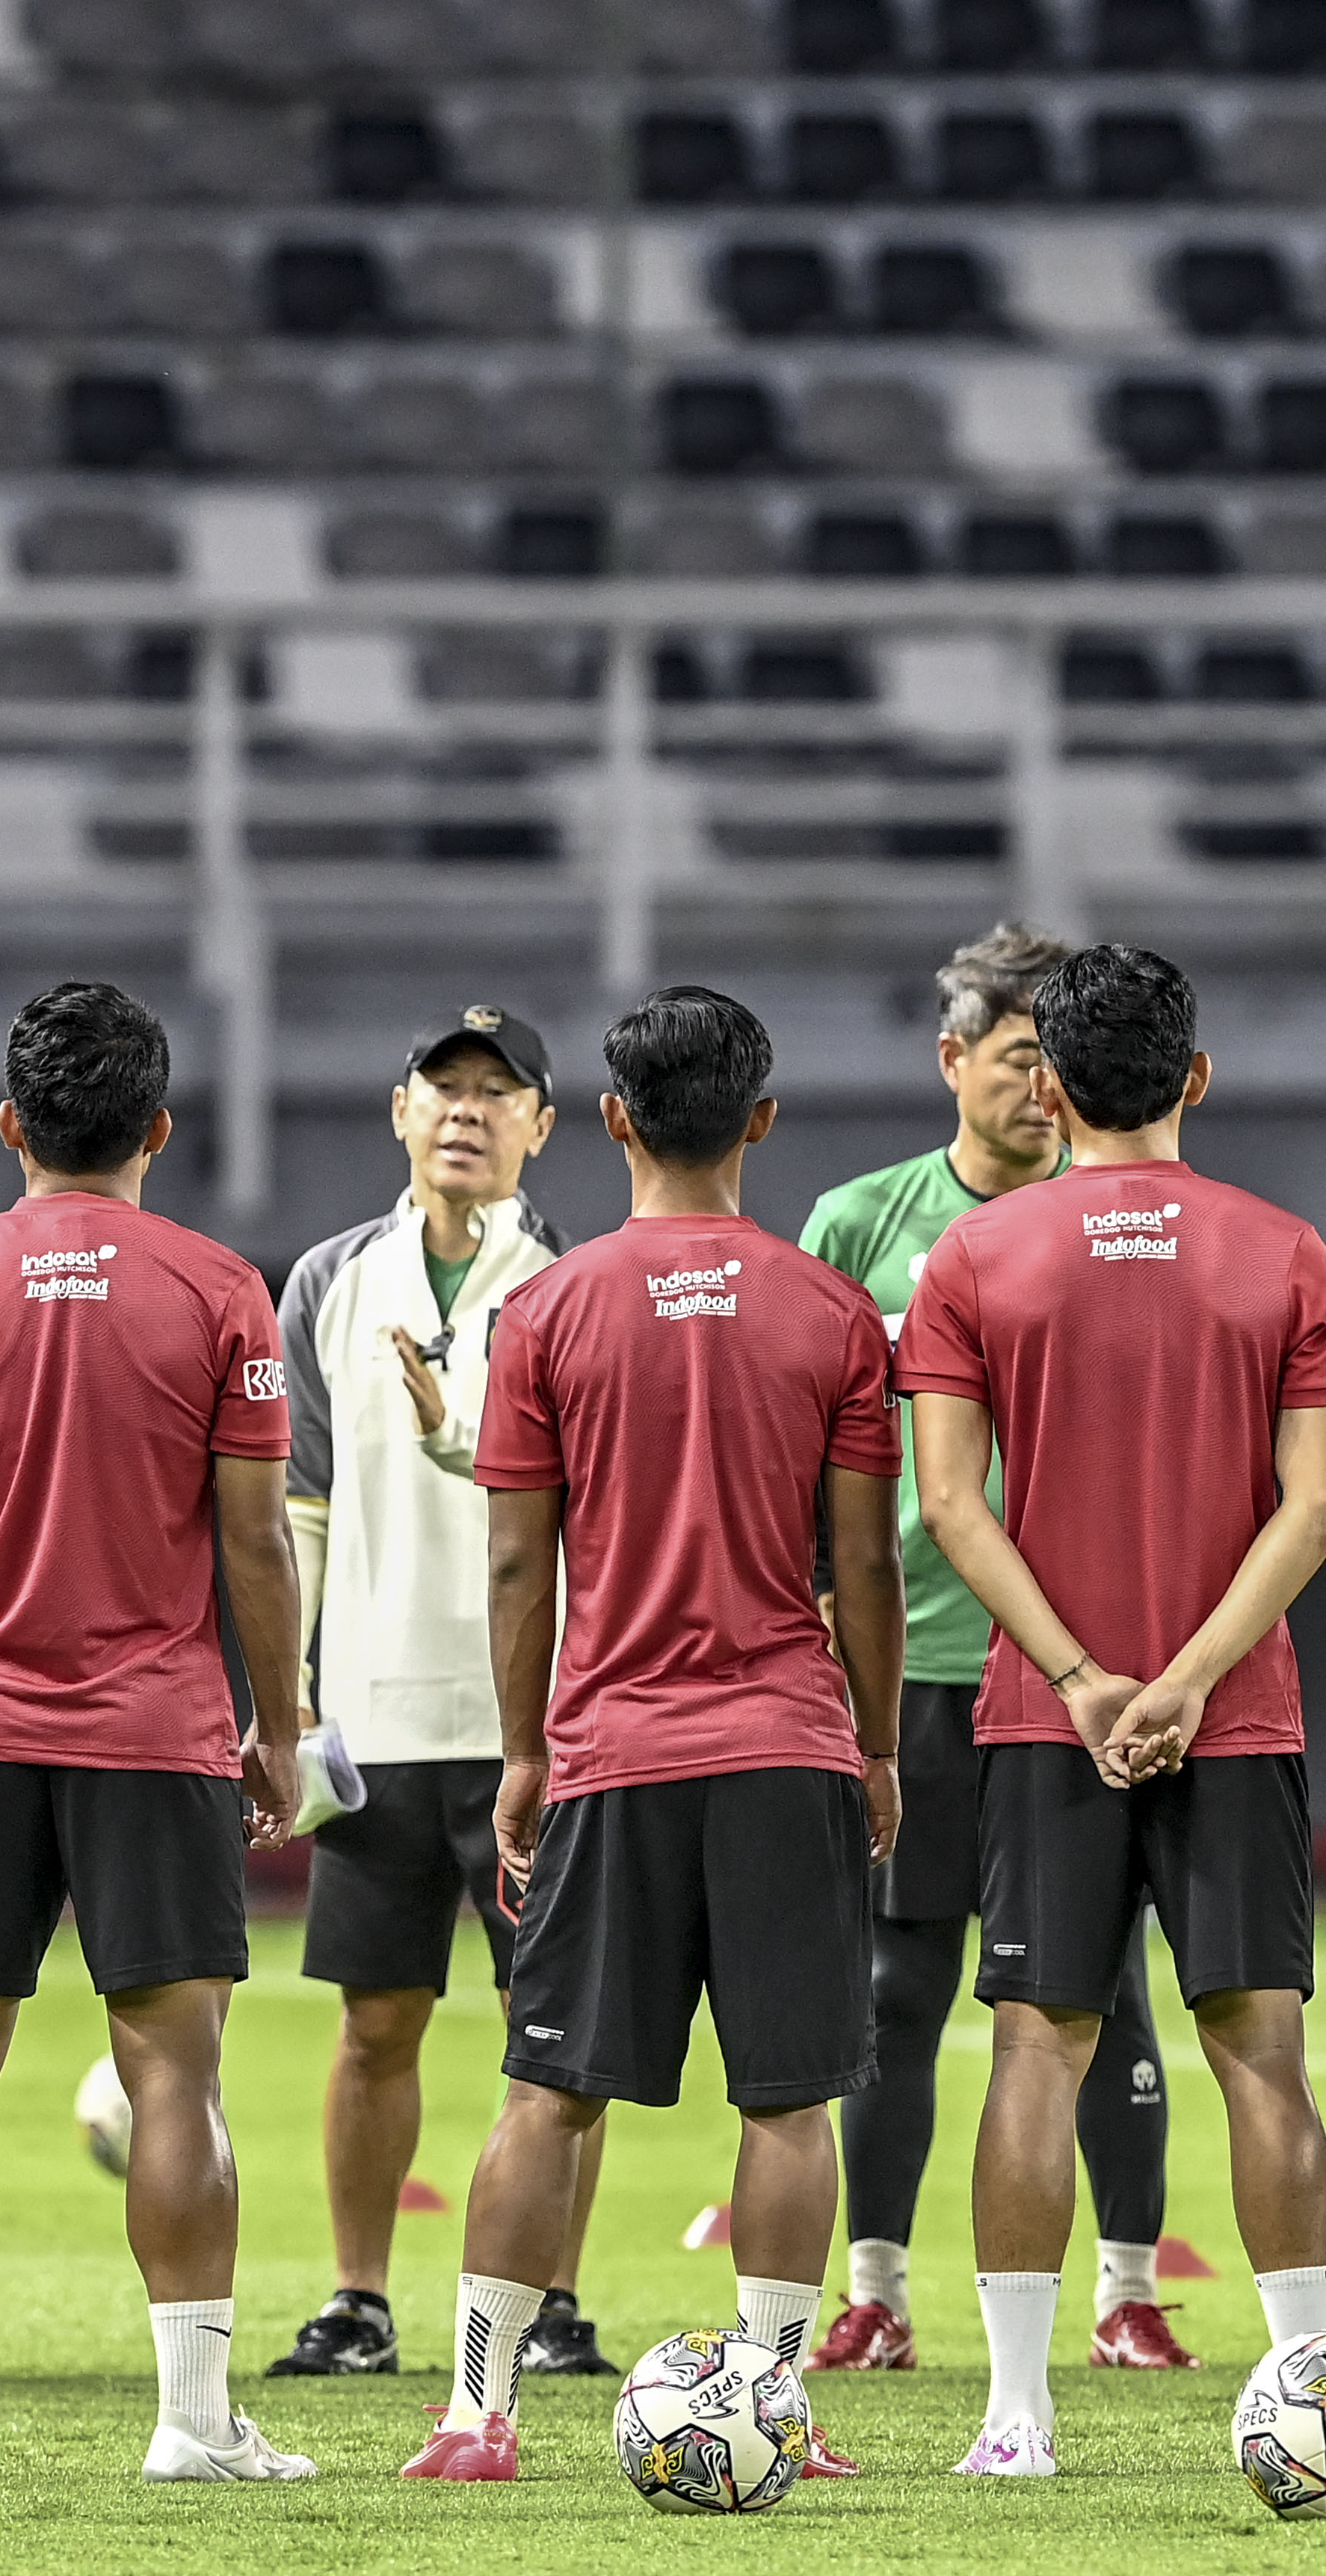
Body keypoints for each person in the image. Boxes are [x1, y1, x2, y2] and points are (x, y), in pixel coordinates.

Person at [404, 984, 902, 2484]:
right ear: (760, 1119)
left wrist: (522, 1750)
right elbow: (867, 1562)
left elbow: (514, 1560)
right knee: (788, 2094)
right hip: (785, 1745)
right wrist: (874, 1741)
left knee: (545, 2088)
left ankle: (477, 2416)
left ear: (610, 1119)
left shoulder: (543, 1310)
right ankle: (773, 2407)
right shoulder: (829, 1311)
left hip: (612, 1750)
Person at [0, 982, 309, 2487]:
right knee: (176, 2074)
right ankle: (192, 2424)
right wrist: (276, 1725)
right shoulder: (224, 1289)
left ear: (12, 1125)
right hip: (159, 1728)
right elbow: (257, 1544)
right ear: (160, 1128)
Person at [895, 945, 1326, 2479]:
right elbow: (1315, 1508)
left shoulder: (972, 1260)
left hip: (1046, 1717)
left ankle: (1015, 2419)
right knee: (1262, 2052)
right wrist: (1187, 1679)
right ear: (1197, 1077)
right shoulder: (1289, 1251)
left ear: (1047, 1084)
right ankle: (1316, 2399)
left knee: (1034, 2043)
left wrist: (1089, 1678)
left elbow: (952, 1504)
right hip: (1235, 1718)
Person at [799, 925, 1185, 2376]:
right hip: (921, 1660)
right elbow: (809, 1442)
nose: (1044, 1085)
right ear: (953, 1059)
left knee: (1106, 1982)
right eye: (1019, 1056)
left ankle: (1131, 2289)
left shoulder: (1123, 1223)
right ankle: (879, 2290)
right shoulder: (860, 1223)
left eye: (1059, 1060)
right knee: (897, 1981)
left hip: (1095, 1661)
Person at [265, 1005, 614, 2383]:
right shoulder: (328, 1281)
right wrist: (287, 1695)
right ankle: (360, 2299)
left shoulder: (578, 1282)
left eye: (497, 1094)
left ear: (542, 1123)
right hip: (375, 1718)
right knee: (375, 2019)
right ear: (398, 1110)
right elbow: (302, 1503)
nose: (466, 1113)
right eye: (442, 1089)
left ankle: (552, 2305)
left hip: (535, 1720)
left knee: (559, 2036)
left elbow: (596, 1502)